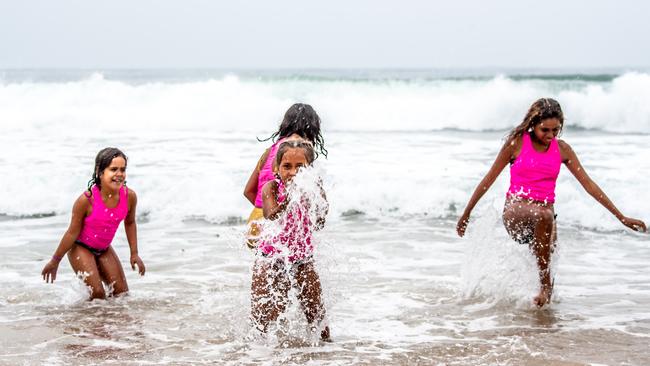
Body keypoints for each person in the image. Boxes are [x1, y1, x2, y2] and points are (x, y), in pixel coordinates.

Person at [456, 98, 646, 307]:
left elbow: (589, 185)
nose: (550, 136)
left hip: (545, 216)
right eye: (544, 130)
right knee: (544, 216)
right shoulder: (516, 143)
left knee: (549, 257)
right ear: (533, 124)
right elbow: (488, 179)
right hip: (516, 211)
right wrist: (467, 213)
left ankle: (541, 315)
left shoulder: (563, 150)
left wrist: (621, 217)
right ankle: (544, 288)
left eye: (555, 130)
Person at [251, 140, 331, 341]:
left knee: (318, 318)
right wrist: (289, 199)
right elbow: (270, 214)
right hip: (270, 257)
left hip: (302, 258)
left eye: (300, 167)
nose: (293, 172)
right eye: (287, 166)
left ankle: (328, 354)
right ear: (277, 168)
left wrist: (317, 198)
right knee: (263, 316)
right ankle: (258, 355)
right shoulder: (272, 188)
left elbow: (320, 222)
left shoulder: (312, 189)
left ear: (309, 171)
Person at [41, 147, 145, 299]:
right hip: (80, 248)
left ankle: (113, 322)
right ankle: (88, 322)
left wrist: (134, 253)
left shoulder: (129, 196)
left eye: (122, 169)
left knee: (122, 294)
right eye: (113, 169)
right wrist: (55, 261)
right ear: (100, 172)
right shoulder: (86, 200)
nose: (119, 174)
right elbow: (72, 232)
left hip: (104, 248)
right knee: (97, 294)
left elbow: (130, 223)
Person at [243, 103, 327, 248]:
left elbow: (248, 191)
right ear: (313, 128)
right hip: (277, 229)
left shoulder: (269, 151)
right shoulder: (301, 152)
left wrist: (266, 208)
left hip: (255, 224)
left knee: (265, 266)